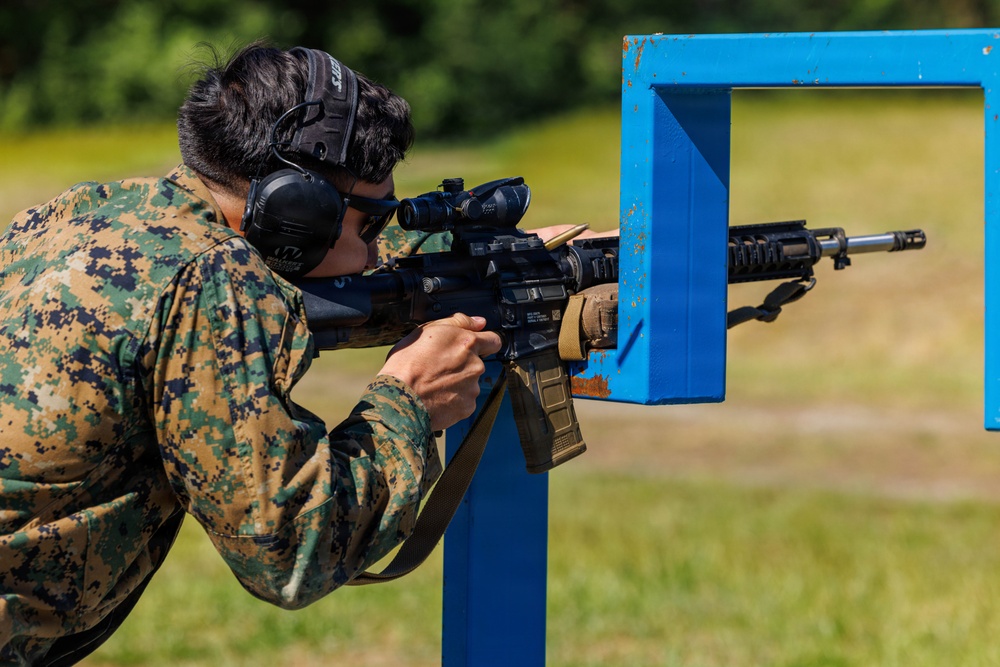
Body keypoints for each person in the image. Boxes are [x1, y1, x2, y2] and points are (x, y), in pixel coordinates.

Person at [0, 42, 503, 665]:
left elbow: (326, 282)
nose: (377, 249)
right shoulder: (212, 276)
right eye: (371, 224)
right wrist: (409, 402)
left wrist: (496, 259)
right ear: (297, 212)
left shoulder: (84, 216)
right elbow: (288, 548)